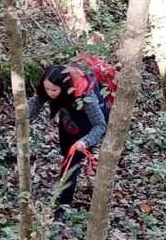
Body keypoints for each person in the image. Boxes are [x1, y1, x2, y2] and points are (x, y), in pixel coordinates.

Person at [27, 63, 109, 222]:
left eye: (54, 90)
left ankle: (62, 208)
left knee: (70, 168)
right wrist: (23, 117)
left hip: (86, 128)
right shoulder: (49, 89)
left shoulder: (86, 96)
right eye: (47, 88)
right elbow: (36, 102)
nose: (49, 93)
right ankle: (64, 191)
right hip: (67, 124)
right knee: (66, 159)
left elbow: (100, 125)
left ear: (64, 87)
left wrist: (85, 142)